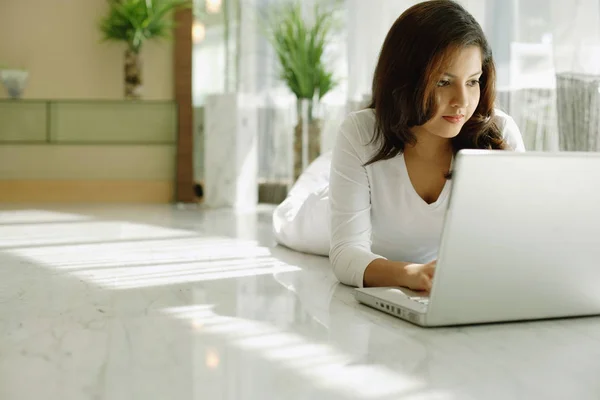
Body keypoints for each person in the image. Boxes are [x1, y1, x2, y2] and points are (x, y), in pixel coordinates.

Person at [272, 0, 525, 292]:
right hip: (318, 213)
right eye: (444, 82)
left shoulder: (498, 135)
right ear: (405, 80)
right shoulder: (361, 132)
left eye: (472, 81)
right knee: (286, 219)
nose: (462, 101)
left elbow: (514, 240)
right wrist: (409, 274)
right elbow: (345, 255)